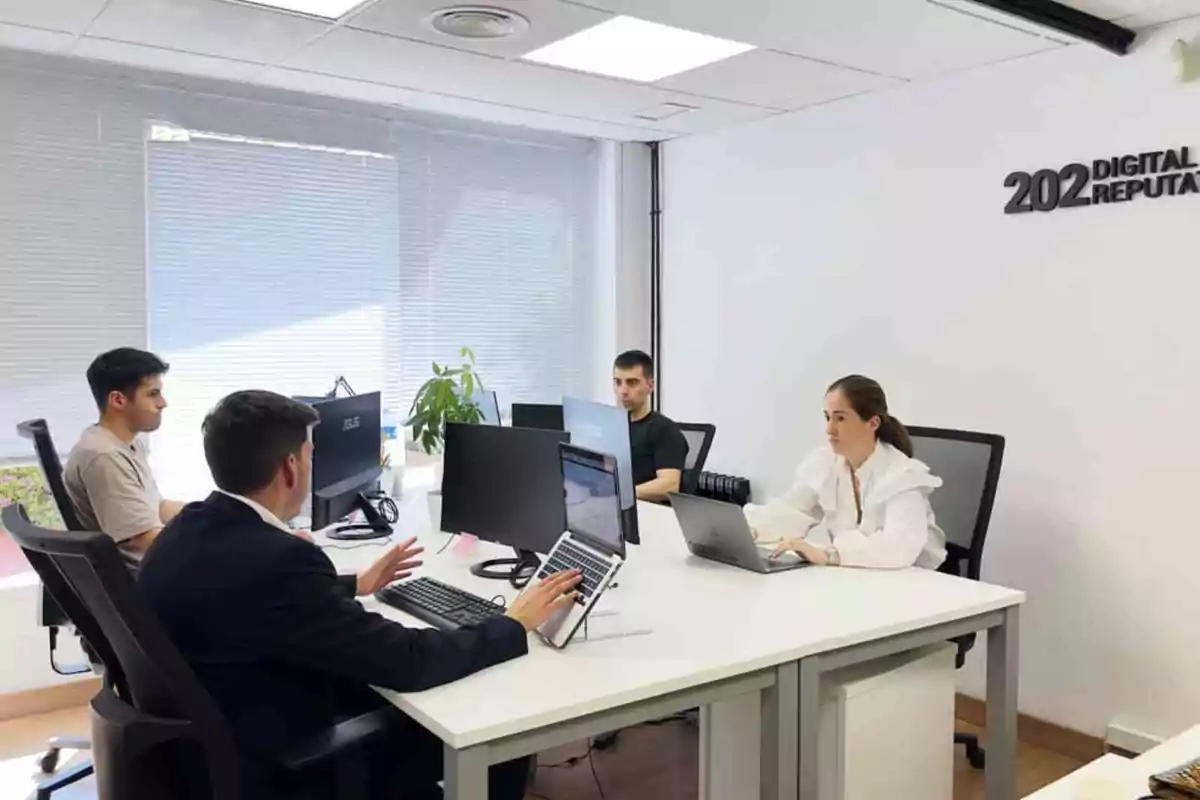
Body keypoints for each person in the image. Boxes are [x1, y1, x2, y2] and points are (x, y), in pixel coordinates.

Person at [137, 390, 580, 800]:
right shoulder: (279, 561)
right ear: (291, 467)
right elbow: (409, 661)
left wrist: (354, 585)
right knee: (489, 726)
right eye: (310, 455)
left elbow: (244, 600)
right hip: (283, 764)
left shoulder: (185, 530)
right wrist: (512, 623)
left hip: (203, 753)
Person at [746, 375, 945, 570]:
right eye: (827, 417)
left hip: (913, 585)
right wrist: (750, 531)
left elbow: (898, 546)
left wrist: (828, 555)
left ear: (873, 423)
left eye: (840, 418)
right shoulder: (827, 463)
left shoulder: (903, 474)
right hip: (858, 578)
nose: (829, 429)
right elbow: (794, 510)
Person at [63, 348, 187, 563]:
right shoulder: (102, 455)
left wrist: (212, 515)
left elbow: (156, 507)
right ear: (118, 400)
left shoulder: (125, 443)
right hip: (144, 580)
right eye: (153, 394)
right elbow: (142, 538)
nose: (163, 403)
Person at [613, 350, 688, 503]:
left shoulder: (664, 430)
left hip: (645, 512)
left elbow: (669, 485)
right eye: (618, 382)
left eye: (632, 383)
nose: (623, 391)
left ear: (650, 386)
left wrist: (621, 493)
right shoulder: (614, 426)